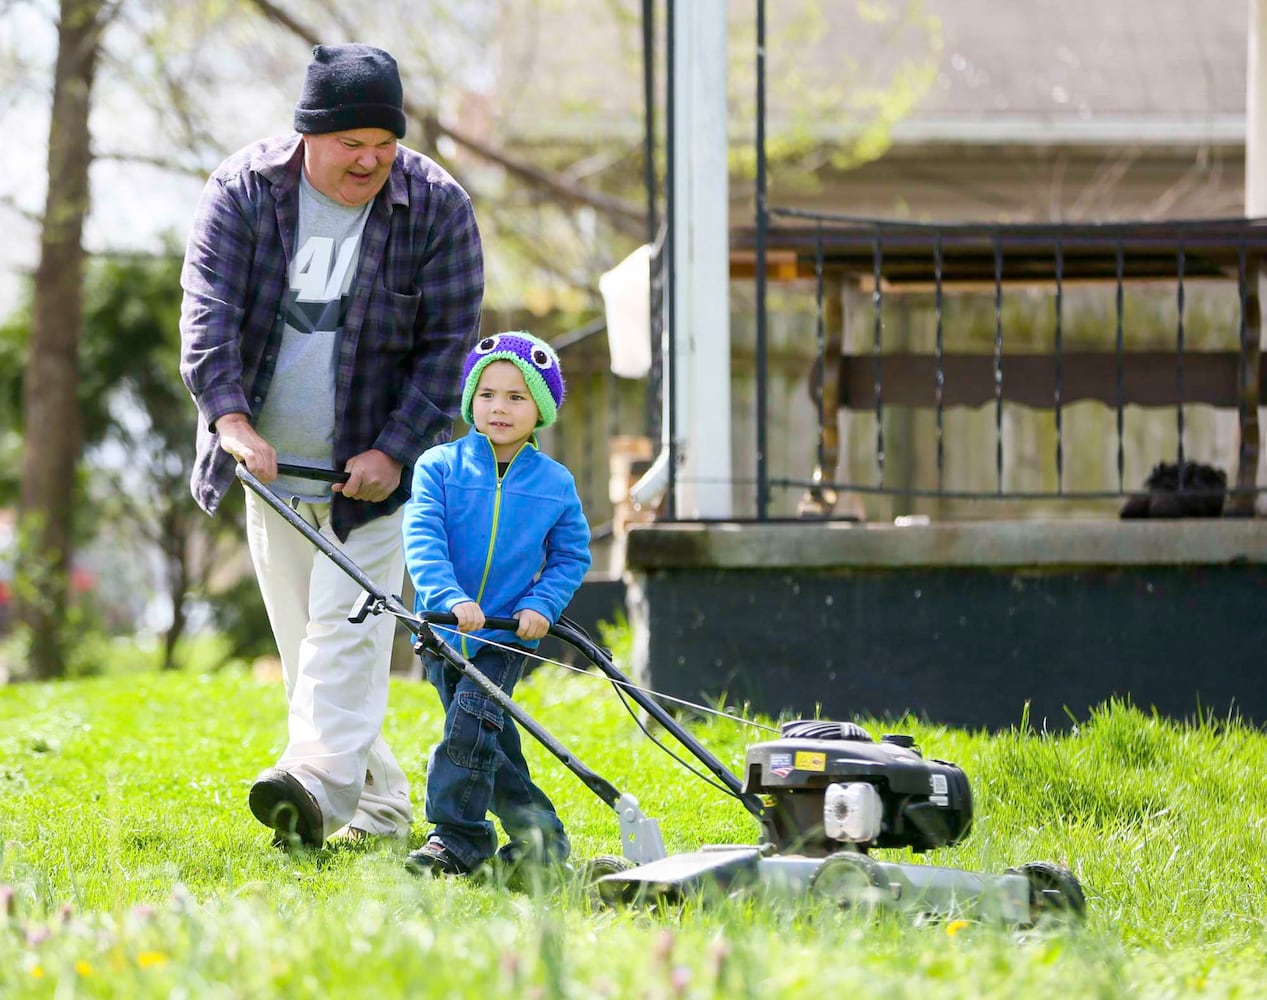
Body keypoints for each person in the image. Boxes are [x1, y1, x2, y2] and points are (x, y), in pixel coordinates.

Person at [178, 43, 484, 849]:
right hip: (269, 467)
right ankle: (380, 808)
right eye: (352, 144)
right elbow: (207, 316)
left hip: (376, 473)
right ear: (309, 134)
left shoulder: (438, 206)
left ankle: (306, 792)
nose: (371, 162)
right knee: (312, 652)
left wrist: (393, 449)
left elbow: (450, 344)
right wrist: (233, 424)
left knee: (344, 639)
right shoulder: (243, 193)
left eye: (384, 146)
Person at [401, 332, 591, 877]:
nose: (499, 407)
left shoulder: (556, 484)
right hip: (441, 631)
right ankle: (542, 843)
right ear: (470, 401)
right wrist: (449, 597)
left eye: (516, 396)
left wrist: (543, 605)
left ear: (542, 408)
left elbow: (570, 555)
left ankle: (457, 839)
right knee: (490, 744)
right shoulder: (438, 466)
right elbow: (423, 539)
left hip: (504, 637)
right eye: (487, 394)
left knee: (467, 733)